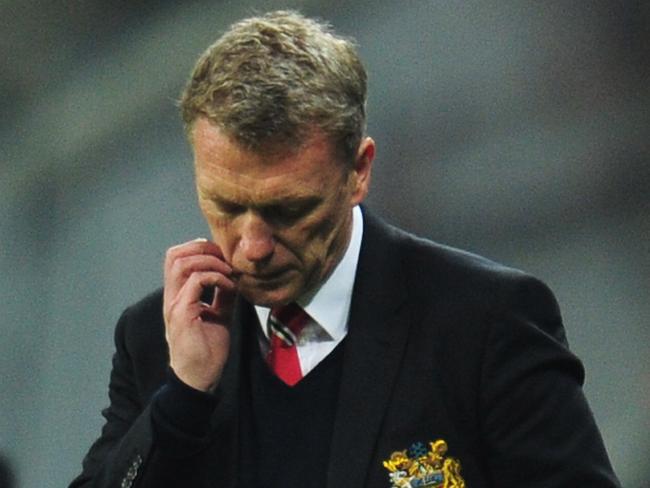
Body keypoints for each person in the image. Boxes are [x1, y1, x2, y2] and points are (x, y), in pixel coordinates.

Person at [70, 10, 620, 488]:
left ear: (358, 171)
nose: (253, 247)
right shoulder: (157, 340)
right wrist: (182, 399)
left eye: (288, 209)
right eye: (227, 206)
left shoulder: (484, 325)